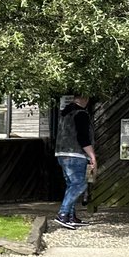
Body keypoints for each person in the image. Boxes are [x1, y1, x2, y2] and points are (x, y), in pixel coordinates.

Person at [53, 95, 97, 229]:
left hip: (61, 153)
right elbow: (83, 138)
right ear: (85, 98)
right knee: (80, 184)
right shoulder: (81, 114)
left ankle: (71, 217)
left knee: (71, 185)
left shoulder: (65, 113)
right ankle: (63, 214)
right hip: (76, 154)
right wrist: (92, 156)